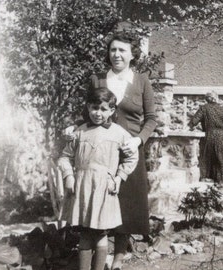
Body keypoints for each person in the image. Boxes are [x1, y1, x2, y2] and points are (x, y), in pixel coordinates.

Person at [65, 33, 157, 270]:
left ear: (133, 55)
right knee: (99, 202)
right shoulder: (97, 80)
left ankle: (117, 260)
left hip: (128, 151)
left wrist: (138, 141)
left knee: (126, 206)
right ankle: (97, 258)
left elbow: (151, 119)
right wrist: (74, 127)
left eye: (122, 50)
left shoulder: (142, 81)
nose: (117, 55)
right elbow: (88, 112)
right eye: (113, 50)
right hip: (100, 153)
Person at [58, 87, 139, 270]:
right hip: (82, 187)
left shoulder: (119, 133)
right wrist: (69, 176)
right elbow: (64, 156)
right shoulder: (79, 131)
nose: (98, 113)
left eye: (103, 109)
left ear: (112, 110)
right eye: (95, 108)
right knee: (85, 234)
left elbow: (132, 157)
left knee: (101, 233)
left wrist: (119, 178)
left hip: (104, 188)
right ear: (88, 107)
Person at [189, 90, 223, 185]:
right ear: (216, 98)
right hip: (220, 136)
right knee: (219, 157)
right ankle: (219, 180)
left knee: (205, 156)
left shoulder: (203, 109)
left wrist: (190, 127)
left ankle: (203, 178)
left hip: (208, 134)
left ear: (208, 99)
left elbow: (193, 122)